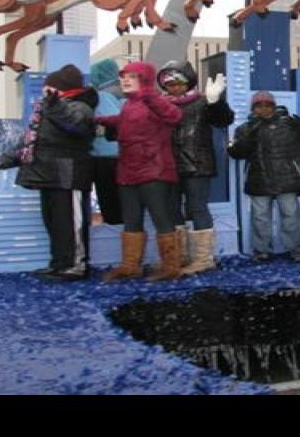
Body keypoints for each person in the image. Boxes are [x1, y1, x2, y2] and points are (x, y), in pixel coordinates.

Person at [0, 64, 97, 282]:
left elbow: (73, 125)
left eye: (50, 87)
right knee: (55, 223)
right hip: (49, 174)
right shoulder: (50, 108)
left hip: (68, 175)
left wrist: (54, 104)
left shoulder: (80, 107)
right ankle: (59, 263)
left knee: (71, 223)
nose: (45, 90)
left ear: (60, 89)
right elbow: (32, 142)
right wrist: (6, 160)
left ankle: (76, 265)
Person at [95, 62, 185, 282]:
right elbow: (122, 121)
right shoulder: (128, 105)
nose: (125, 80)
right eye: (123, 76)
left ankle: (171, 265)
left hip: (154, 170)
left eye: (132, 77)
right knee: (131, 218)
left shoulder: (155, 101)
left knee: (161, 217)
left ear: (144, 80)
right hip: (128, 169)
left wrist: (149, 95)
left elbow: (174, 116)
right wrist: (97, 120)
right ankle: (130, 265)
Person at [157, 61, 235, 275]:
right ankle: (178, 257)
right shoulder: (159, 104)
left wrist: (214, 101)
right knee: (171, 209)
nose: (173, 87)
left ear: (188, 81)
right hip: (168, 164)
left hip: (197, 164)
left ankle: (203, 258)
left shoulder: (202, 102)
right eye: (168, 83)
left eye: (178, 82)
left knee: (197, 207)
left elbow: (224, 120)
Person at [228, 92, 300, 263]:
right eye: (259, 105)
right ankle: (261, 250)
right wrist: (245, 138)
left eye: (267, 105)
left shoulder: (290, 124)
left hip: (288, 179)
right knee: (260, 216)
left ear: (274, 106)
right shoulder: (244, 128)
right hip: (260, 179)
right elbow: (237, 153)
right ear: (253, 109)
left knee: (291, 214)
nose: (263, 109)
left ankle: (295, 248)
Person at [89, 59, 124, 225]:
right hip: (126, 158)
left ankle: (115, 243)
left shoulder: (101, 97)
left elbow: (106, 124)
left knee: (110, 208)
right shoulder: (125, 99)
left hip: (104, 159)